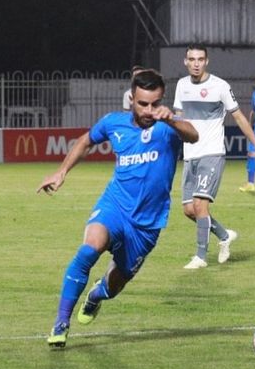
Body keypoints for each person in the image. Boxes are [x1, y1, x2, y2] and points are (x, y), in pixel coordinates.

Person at [37, 69, 199, 348]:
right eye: (143, 103)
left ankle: (95, 297)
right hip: (114, 206)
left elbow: (193, 135)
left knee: (113, 287)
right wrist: (62, 171)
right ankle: (61, 323)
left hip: (147, 225)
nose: (149, 110)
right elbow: (86, 141)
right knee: (89, 249)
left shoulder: (167, 127)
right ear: (131, 99)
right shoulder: (114, 123)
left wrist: (171, 119)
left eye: (155, 103)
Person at [174, 45, 255, 269]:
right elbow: (178, 119)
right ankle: (224, 235)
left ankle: (200, 257)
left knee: (200, 205)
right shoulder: (181, 86)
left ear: (207, 61)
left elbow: (239, 118)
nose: (196, 63)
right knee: (189, 210)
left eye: (200, 59)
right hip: (190, 155)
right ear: (185, 62)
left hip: (212, 153)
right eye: (192, 59)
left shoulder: (219, 86)